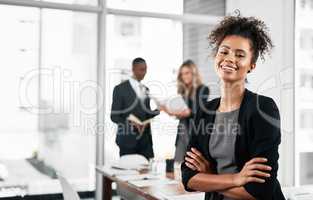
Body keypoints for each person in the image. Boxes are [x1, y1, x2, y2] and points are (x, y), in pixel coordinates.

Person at [181, 16, 286, 200]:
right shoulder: (205, 111)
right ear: (216, 57)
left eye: (240, 55)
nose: (229, 59)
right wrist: (237, 178)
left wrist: (210, 178)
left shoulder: (263, 108)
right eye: (224, 52)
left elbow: (260, 192)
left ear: (251, 66)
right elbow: (188, 178)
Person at [110, 57, 160, 160]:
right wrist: (131, 123)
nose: (144, 72)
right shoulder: (120, 89)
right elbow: (114, 116)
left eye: (145, 69)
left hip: (145, 142)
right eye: (141, 69)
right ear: (133, 69)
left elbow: (146, 114)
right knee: (128, 173)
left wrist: (158, 110)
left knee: (147, 173)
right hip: (127, 141)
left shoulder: (146, 89)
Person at [161, 60, 209, 162]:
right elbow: (182, 113)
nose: (184, 76)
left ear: (194, 73)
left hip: (195, 130)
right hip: (182, 130)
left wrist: (174, 112)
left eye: (187, 73)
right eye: (182, 74)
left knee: (191, 164)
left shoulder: (202, 89)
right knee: (178, 162)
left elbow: (196, 112)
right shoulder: (182, 91)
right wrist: (168, 110)